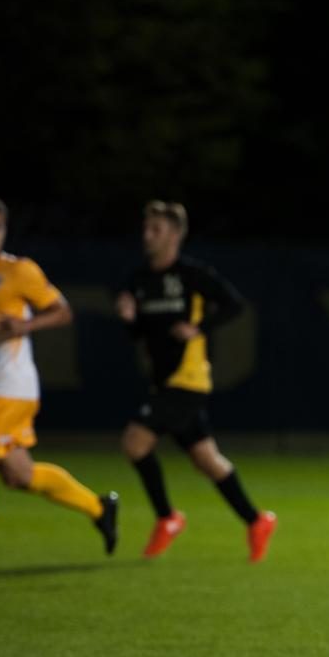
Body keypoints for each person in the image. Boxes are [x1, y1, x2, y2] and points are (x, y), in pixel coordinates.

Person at [0, 195, 118, 588]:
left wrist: (23, 327)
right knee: (18, 474)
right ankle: (99, 508)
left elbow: (61, 311)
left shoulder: (20, 271)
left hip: (8, 387)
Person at [114, 200, 276, 562]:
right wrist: (128, 319)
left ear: (176, 235)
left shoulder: (192, 275)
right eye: (146, 228)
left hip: (187, 380)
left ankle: (167, 517)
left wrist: (199, 328)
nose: (148, 235)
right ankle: (256, 519)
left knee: (134, 443)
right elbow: (140, 334)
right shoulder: (139, 279)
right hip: (162, 380)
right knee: (207, 459)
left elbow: (234, 304)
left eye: (156, 229)